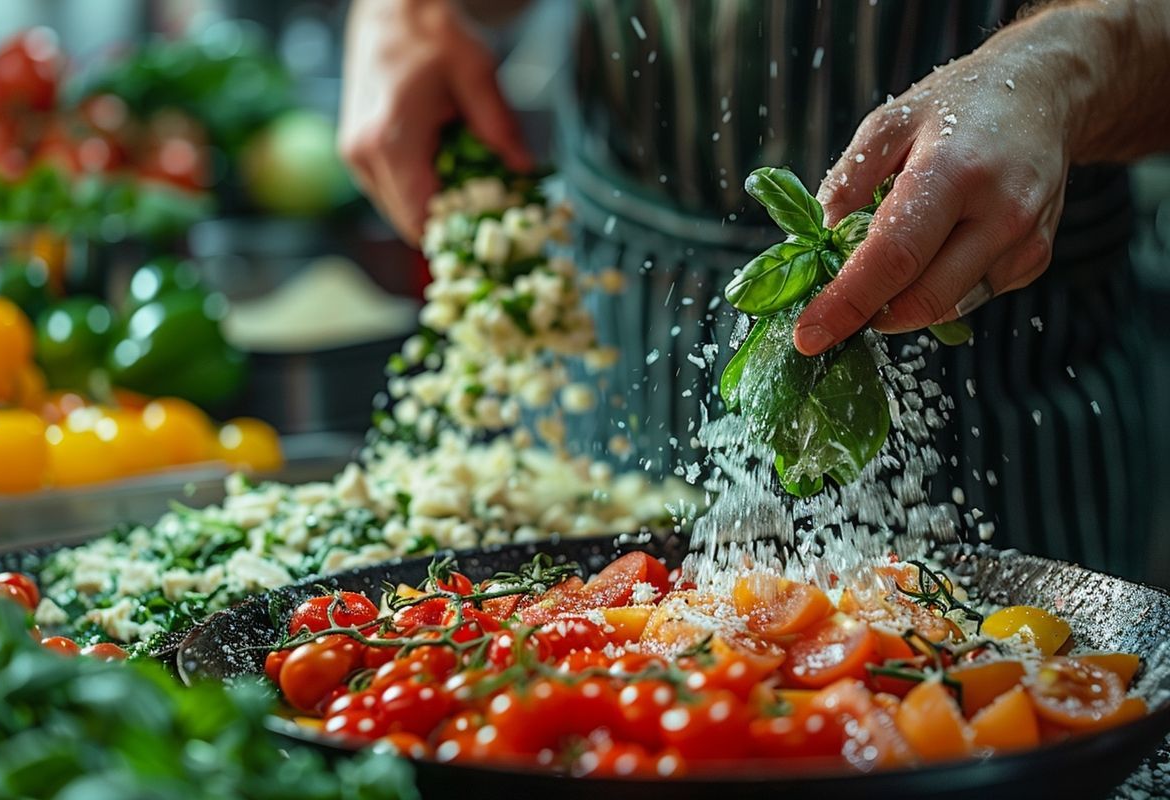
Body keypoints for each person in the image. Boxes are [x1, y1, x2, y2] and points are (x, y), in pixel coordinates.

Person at [339, 0, 1170, 584]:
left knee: (1023, 691)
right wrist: (404, 11)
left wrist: (1064, 66)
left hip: (1015, 355)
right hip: (628, 305)